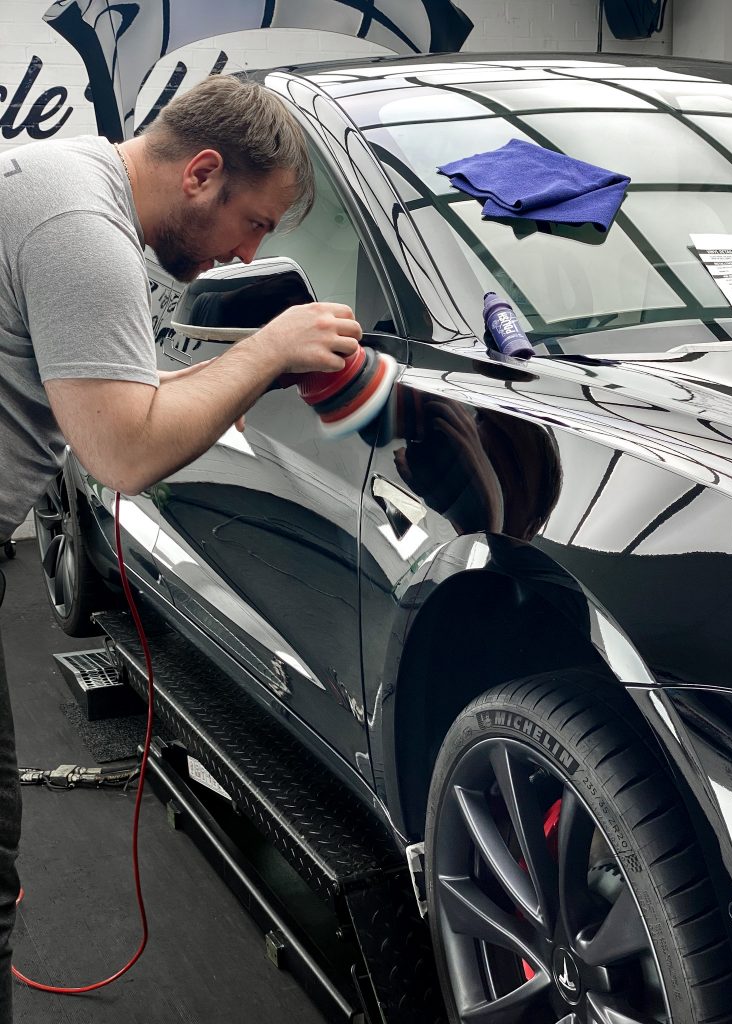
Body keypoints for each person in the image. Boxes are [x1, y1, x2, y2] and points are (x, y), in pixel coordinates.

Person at [0, 74, 362, 1020]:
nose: (249, 252)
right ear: (202, 172)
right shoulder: (79, 225)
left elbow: (109, 371)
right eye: (255, 223)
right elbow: (123, 450)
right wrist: (270, 349)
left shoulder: (60, 178)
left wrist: (219, 374)